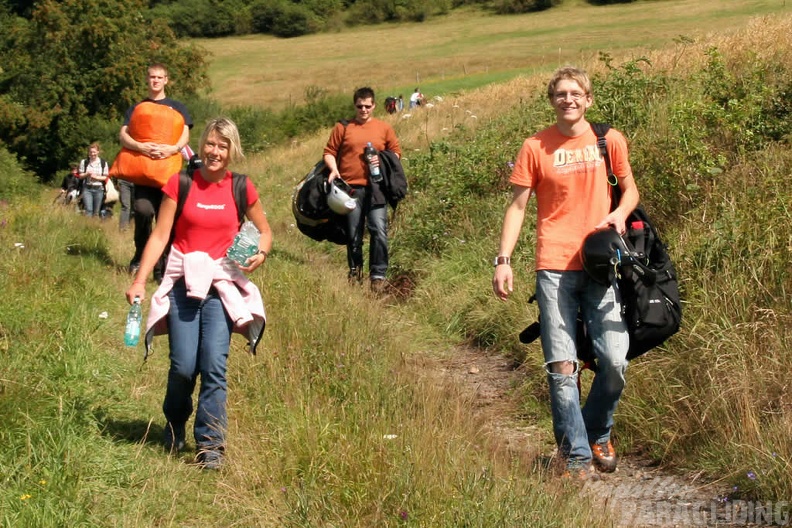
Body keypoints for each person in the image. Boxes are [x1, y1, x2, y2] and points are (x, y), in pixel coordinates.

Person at [491, 66, 640, 480]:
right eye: (561, 94)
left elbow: (630, 190)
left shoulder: (608, 140)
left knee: (614, 359)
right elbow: (518, 207)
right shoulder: (535, 146)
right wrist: (504, 260)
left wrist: (619, 214)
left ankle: (597, 431)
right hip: (553, 267)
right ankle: (575, 457)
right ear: (552, 100)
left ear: (588, 99)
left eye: (576, 93)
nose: (568, 100)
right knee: (561, 367)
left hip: (599, 265)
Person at [125, 117, 272, 470]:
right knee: (183, 366)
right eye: (210, 144)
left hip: (221, 289)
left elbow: (265, 231)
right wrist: (139, 280)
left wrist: (260, 253)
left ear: (232, 150)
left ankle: (211, 445)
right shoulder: (182, 183)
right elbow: (160, 235)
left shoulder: (242, 187)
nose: (215, 151)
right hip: (182, 285)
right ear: (201, 145)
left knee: (213, 366)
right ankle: (175, 425)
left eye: (223, 146)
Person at [323, 87, 401, 291]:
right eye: (360, 106)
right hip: (349, 189)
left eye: (368, 106)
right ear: (355, 105)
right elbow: (329, 152)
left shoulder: (384, 128)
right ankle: (355, 273)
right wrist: (333, 170)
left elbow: (396, 155)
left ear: (374, 105)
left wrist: (381, 159)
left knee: (379, 231)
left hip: (377, 188)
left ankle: (378, 276)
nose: (364, 110)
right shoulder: (343, 127)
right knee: (354, 235)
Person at [119, 63, 193, 280]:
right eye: (152, 77)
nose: (155, 81)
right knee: (142, 211)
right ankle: (141, 253)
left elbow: (185, 134)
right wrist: (140, 147)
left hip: (168, 175)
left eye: (159, 77)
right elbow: (123, 134)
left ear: (166, 80)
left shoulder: (178, 107)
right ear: (147, 79)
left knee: (166, 221)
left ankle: (162, 269)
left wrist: (173, 148)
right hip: (144, 174)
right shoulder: (137, 108)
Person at [78, 143, 109, 217]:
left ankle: (94, 226)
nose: (92, 154)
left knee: (96, 212)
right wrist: (87, 174)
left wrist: (96, 177)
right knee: (88, 210)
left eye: (94, 152)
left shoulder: (103, 163)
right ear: (88, 152)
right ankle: (87, 226)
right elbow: (80, 176)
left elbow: (105, 177)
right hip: (87, 188)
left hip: (99, 189)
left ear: (98, 152)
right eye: (91, 152)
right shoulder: (84, 162)